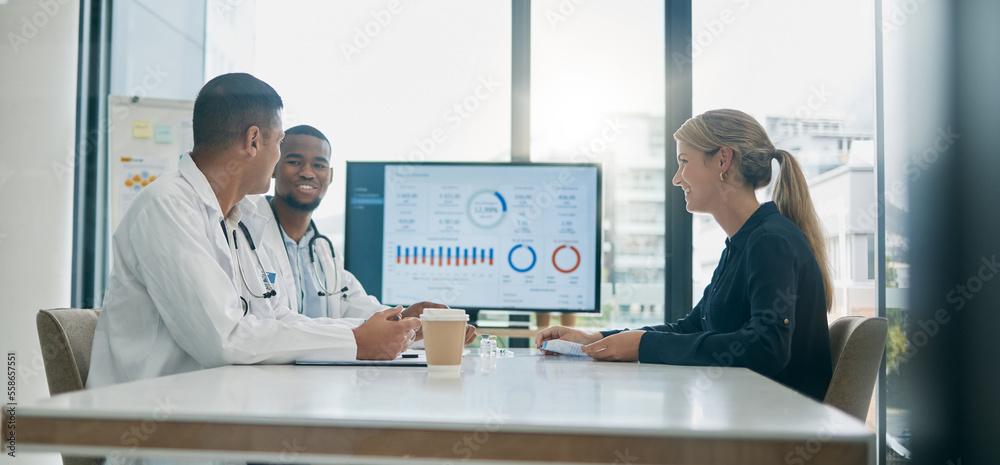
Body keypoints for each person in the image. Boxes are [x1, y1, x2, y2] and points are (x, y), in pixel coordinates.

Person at [88, 73, 420, 388]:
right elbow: (224, 339)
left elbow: (277, 318)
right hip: (154, 427)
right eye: (279, 143)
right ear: (253, 140)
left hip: (217, 411)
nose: (278, 158)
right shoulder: (167, 208)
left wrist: (373, 330)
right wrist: (356, 341)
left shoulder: (235, 219)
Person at [537, 109, 834, 401]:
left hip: (778, 428)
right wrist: (598, 338)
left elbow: (766, 348)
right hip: (751, 416)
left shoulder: (770, 241)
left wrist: (643, 345)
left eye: (684, 162)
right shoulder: (744, 242)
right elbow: (693, 326)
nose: (677, 179)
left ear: (723, 160)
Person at [253, 124, 476, 343]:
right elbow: (275, 323)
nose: (308, 173)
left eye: (319, 165)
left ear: (330, 176)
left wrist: (406, 317)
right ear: (274, 167)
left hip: (319, 374)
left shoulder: (324, 252)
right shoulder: (250, 236)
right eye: (294, 162)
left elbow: (355, 305)